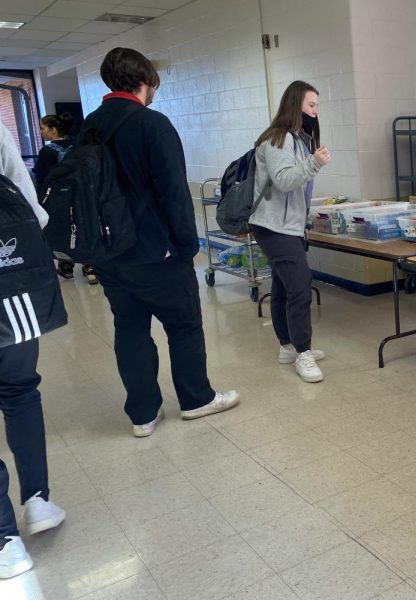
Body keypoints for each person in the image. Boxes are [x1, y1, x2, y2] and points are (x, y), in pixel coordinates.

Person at [82, 48, 239, 437]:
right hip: (156, 252)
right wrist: (188, 247)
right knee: (184, 325)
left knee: (130, 329)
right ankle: (196, 399)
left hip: (108, 252)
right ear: (146, 81)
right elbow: (173, 193)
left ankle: (143, 415)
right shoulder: (153, 124)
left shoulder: (88, 127)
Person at [0, 123, 66, 579]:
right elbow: (31, 210)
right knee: (21, 390)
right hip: (11, 287)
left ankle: (5, 541)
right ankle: (37, 501)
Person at [250, 81, 331, 383]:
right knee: (300, 284)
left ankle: (287, 346)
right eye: (311, 105)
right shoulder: (277, 139)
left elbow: (296, 191)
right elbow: (284, 181)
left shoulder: (298, 139)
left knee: (284, 286)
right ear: (296, 104)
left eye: (317, 106)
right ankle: (303, 353)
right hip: (272, 226)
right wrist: (314, 162)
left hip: (288, 226)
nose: (315, 111)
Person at [35, 114, 98, 285]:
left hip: (57, 199)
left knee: (61, 230)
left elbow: (42, 179)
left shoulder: (47, 152)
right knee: (84, 226)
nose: (41, 132)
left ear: (53, 130)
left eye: (43, 128)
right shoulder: (78, 146)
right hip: (83, 195)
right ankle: (90, 265)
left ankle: (66, 266)